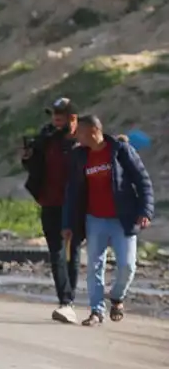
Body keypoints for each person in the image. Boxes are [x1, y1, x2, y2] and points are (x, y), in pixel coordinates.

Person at [62, 115, 154, 325]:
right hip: (94, 219)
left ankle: (117, 297)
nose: (77, 136)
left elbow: (143, 181)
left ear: (94, 131)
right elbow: (72, 192)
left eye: (80, 132)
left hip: (123, 219)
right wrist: (68, 223)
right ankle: (96, 311)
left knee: (128, 266)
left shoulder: (120, 151)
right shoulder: (80, 156)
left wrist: (146, 211)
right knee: (94, 266)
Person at [22, 98, 82, 323]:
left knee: (72, 252)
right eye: (54, 114)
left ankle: (69, 298)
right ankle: (65, 301)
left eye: (61, 115)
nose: (56, 119)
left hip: (74, 206)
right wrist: (27, 157)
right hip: (50, 203)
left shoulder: (80, 141)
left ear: (72, 118)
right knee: (56, 253)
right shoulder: (46, 138)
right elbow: (33, 166)